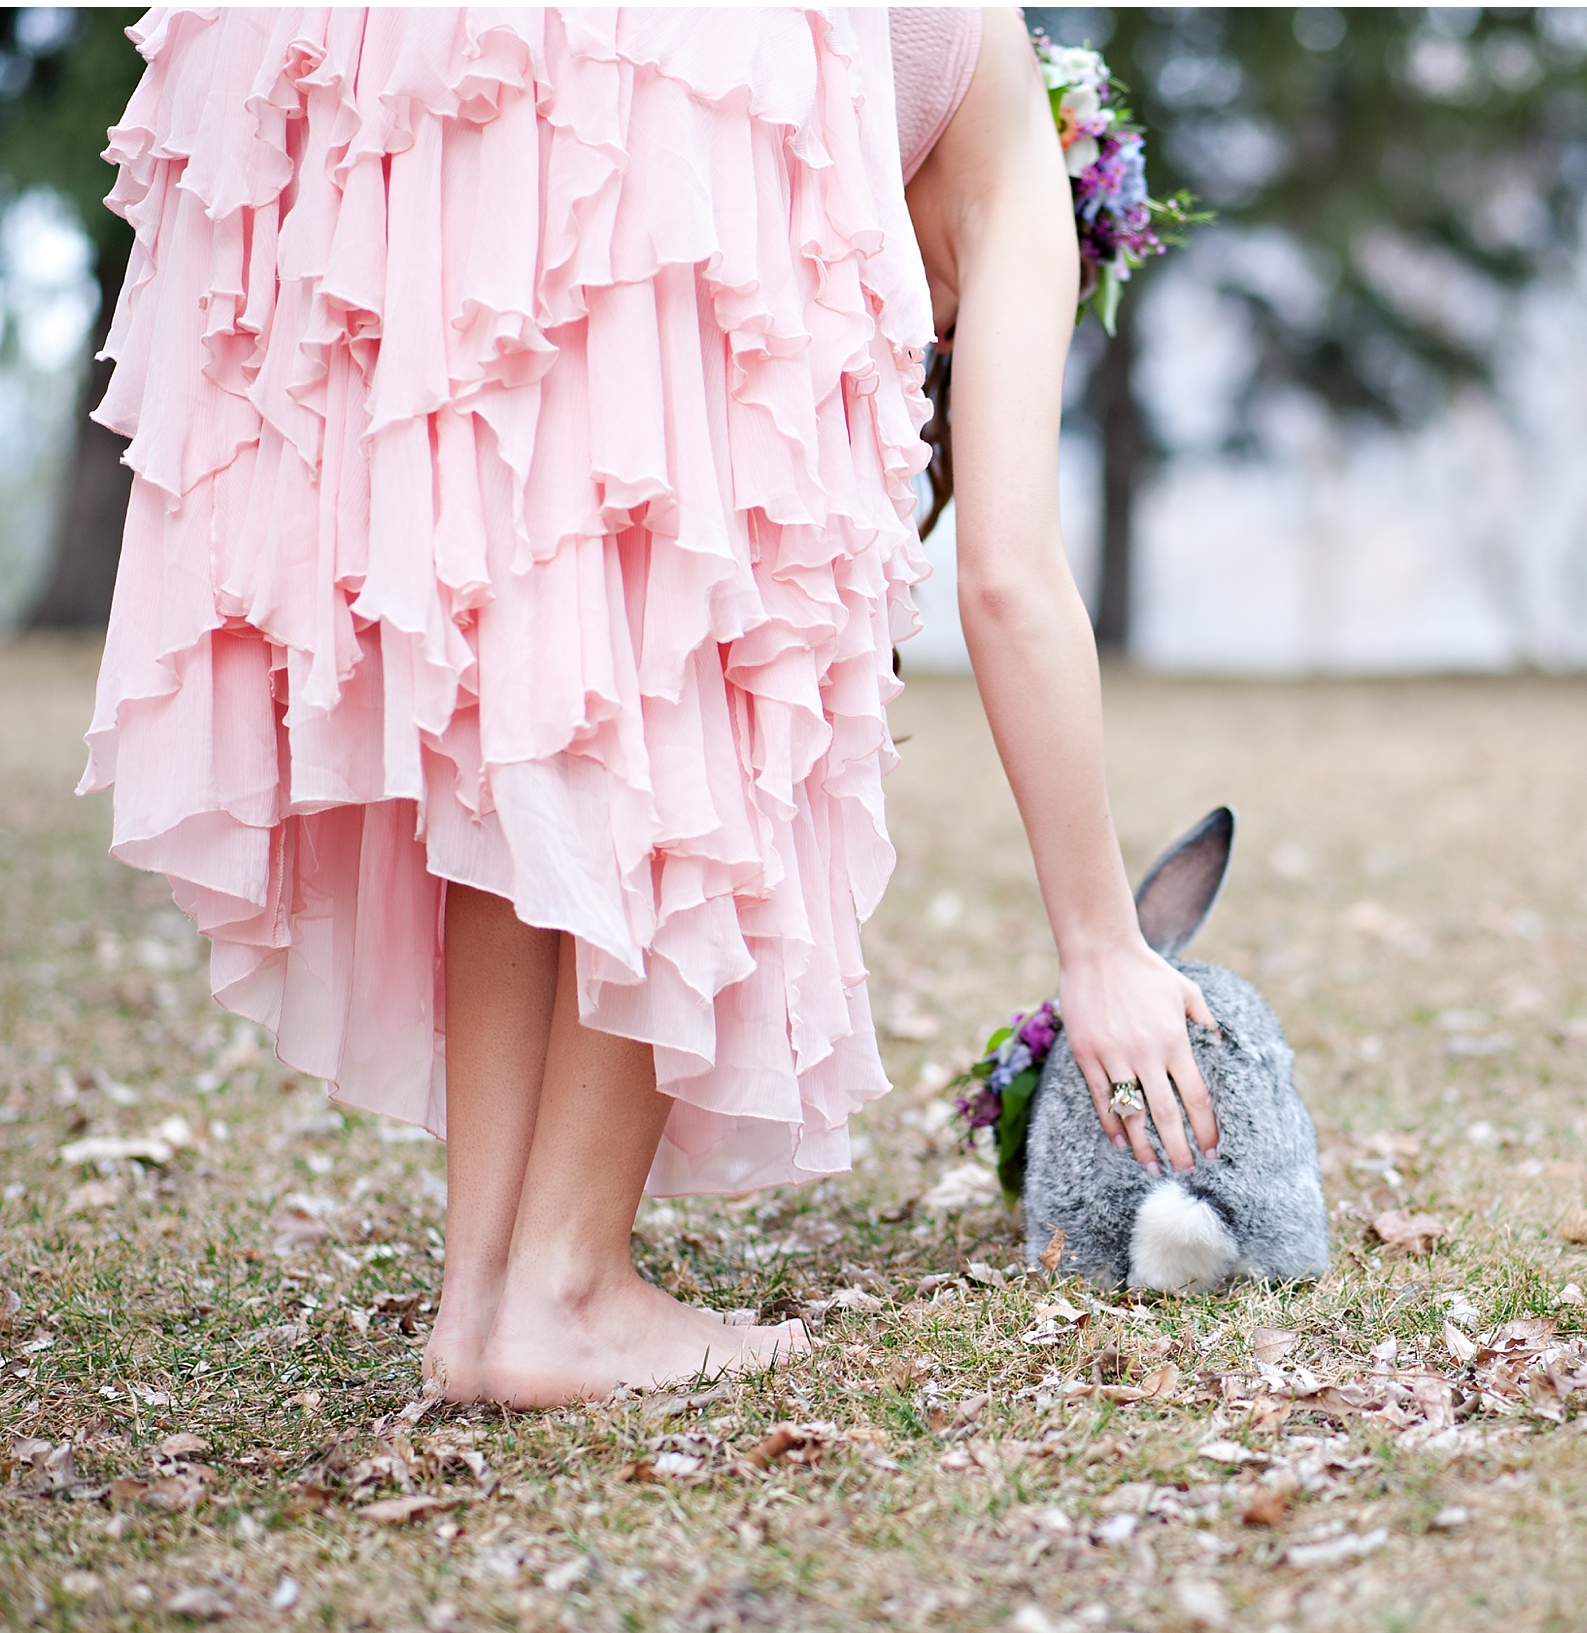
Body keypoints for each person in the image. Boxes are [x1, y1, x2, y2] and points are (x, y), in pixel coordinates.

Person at [80, 8, 1214, 1406]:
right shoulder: (1011, 160)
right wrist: (1104, 947)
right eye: (954, 337)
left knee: (545, 691)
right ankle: (565, 1284)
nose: (936, 346)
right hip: (668, 56)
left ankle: (490, 1300)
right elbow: (1012, 580)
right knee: (708, 629)